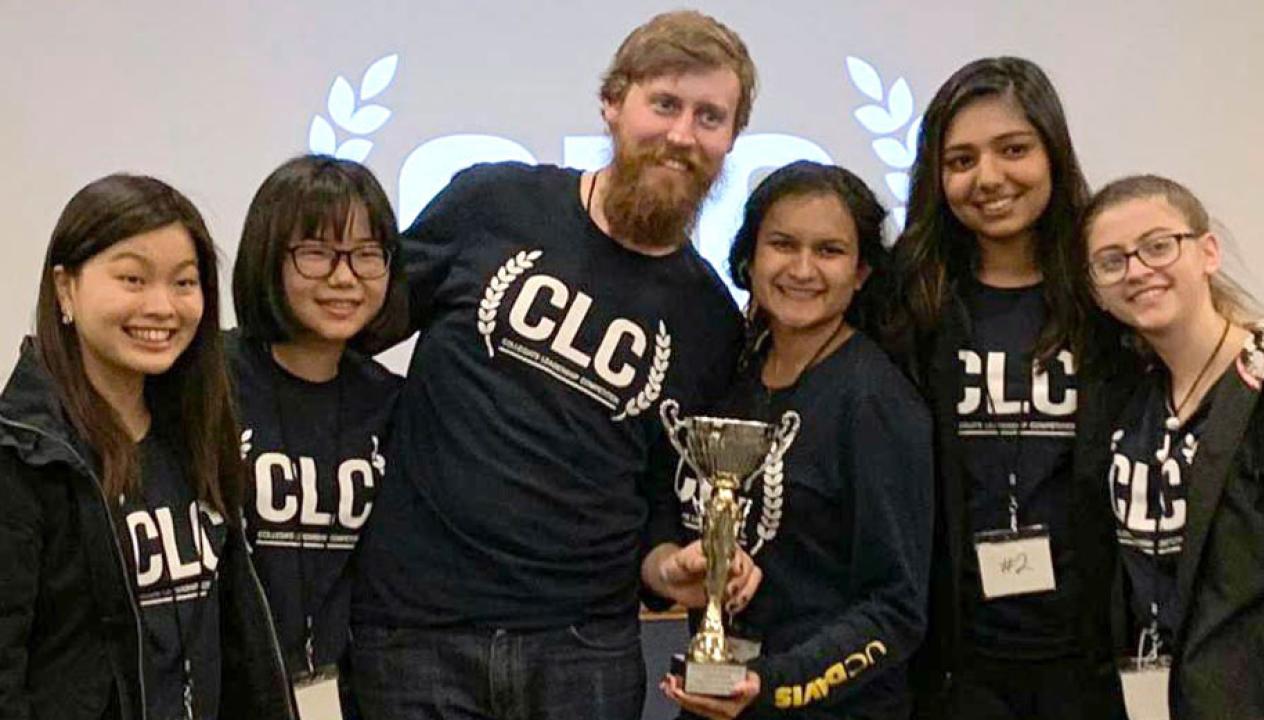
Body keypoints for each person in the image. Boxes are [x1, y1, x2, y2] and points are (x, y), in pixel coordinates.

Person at [350, 10, 760, 720]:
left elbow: (658, 513)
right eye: (664, 104)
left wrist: (677, 569)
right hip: (414, 635)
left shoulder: (712, 321)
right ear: (612, 102)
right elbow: (348, 334)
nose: (682, 135)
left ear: (730, 139)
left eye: (709, 116)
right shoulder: (491, 201)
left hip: (583, 652)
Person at [0, 174, 293, 720]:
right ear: (66, 288)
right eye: (133, 279)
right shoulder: (24, 453)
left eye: (184, 283)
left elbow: (234, 643)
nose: (162, 307)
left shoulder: (198, 431)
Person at [883, 57, 1122, 718]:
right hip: (957, 664)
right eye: (960, 160)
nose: (987, 178)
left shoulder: (1110, 299)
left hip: (1090, 659)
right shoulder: (910, 302)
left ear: (1052, 151)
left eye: (1012, 149)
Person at [661, 161, 933, 720]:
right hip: (718, 698)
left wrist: (773, 684)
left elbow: (896, 609)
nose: (803, 269)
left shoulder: (875, 401)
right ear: (750, 257)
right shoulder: (730, 380)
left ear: (860, 272)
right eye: (782, 244)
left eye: (829, 251)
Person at [1076, 174, 1264, 719]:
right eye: (1112, 260)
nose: (1138, 269)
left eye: (1158, 246)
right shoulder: (1131, 399)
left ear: (1207, 251)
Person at [229, 155, 403, 714]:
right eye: (317, 253)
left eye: (367, 255)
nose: (344, 276)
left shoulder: (391, 403)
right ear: (268, 256)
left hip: (348, 694)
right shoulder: (208, 380)